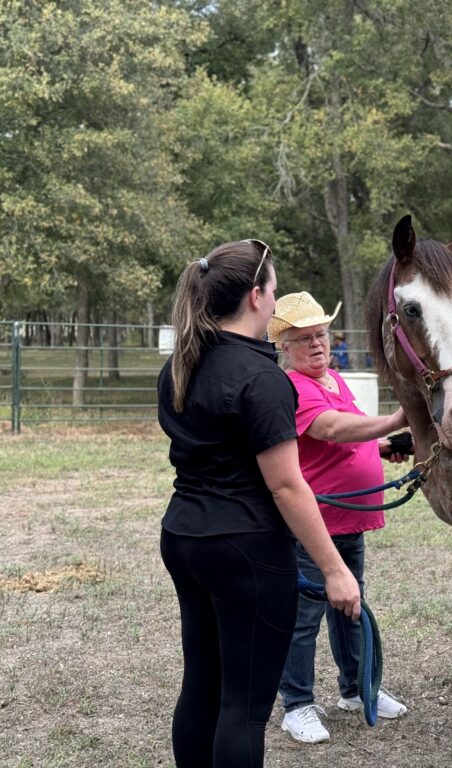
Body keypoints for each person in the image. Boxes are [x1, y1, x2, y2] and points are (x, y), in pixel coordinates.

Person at [156, 241, 361, 768]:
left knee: (201, 686)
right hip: (244, 548)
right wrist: (335, 569)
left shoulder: (182, 363)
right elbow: (287, 486)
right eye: (273, 288)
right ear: (256, 296)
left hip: (184, 537)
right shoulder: (262, 378)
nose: (275, 297)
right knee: (244, 708)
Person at [268, 291, 411, 744]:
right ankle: (297, 705)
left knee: (349, 609)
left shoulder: (332, 380)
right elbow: (329, 428)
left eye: (322, 334)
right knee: (304, 618)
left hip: (347, 522)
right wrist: (395, 420)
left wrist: (384, 447)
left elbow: (341, 438)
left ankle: (355, 688)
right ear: (284, 348)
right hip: (315, 525)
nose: (317, 344)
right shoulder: (292, 386)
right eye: (305, 338)